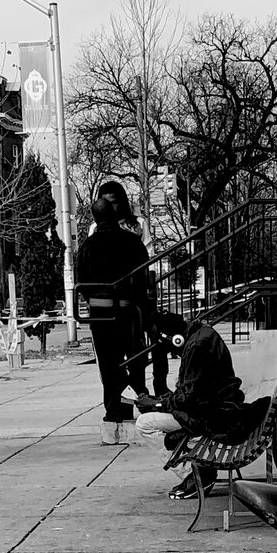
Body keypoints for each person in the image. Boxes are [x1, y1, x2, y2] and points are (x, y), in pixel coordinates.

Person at [134, 306, 255, 495]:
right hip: (218, 408)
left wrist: (157, 405)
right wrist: (161, 401)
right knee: (155, 415)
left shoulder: (196, 347)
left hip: (212, 415)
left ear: (175, 338)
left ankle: (195, 475)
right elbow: (192, 391)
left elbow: (189, 399)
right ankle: (190, 461)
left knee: (144, 424)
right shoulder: (202, 334)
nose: (171, 351)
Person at [73, 181, 153, 445]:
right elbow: (143, 276)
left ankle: (113, 409)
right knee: (136, 357)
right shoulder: (132, 242)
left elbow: (80, 280)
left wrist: (95, 300)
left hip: (99, 313)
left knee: (108, 363)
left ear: (96, 217)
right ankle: (141, 398)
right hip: (129, 310)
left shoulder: (87, 247)